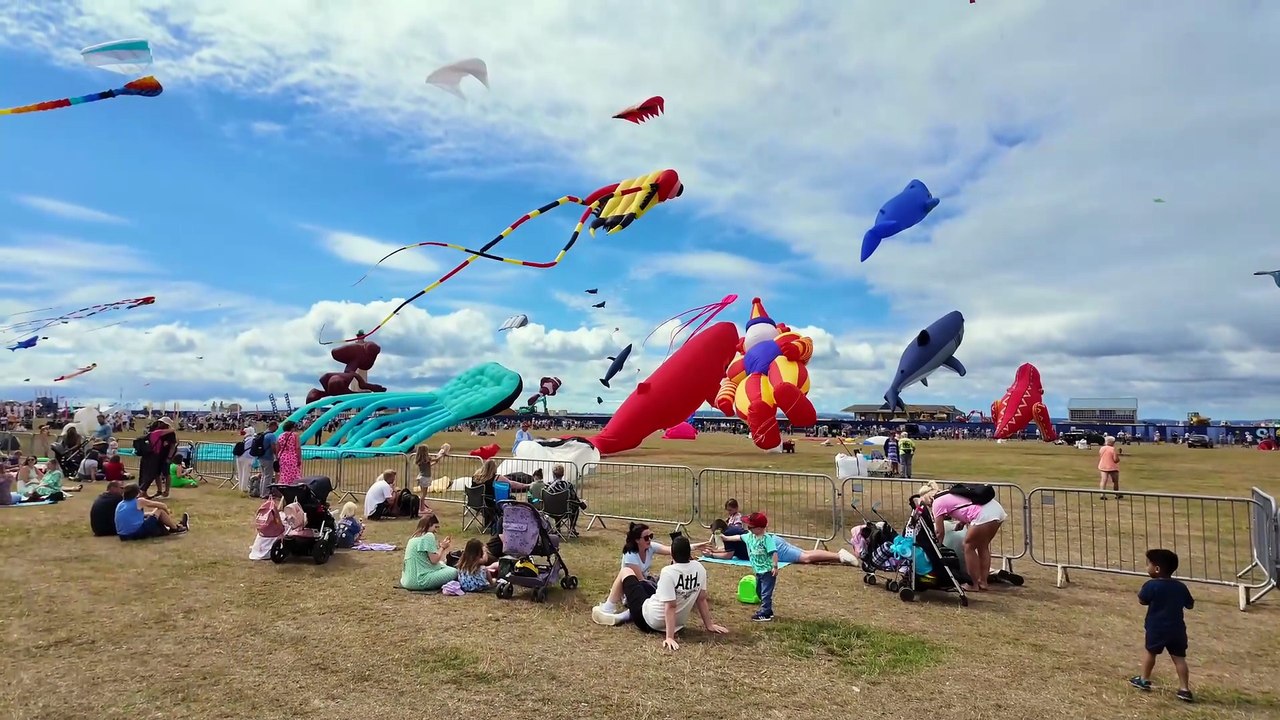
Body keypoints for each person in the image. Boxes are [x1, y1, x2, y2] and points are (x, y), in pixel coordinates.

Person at [591, 536, 729, 651]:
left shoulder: (668, 572)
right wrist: (709, 625)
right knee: (646, 589)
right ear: (689, 554)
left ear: (672, 554)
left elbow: (670, 606)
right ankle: (625, 615)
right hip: (678, 624)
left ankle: (609, 608)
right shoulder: (700, 568)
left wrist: (669, 637)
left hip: (648, 621)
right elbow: (701, 599)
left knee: (626, 572)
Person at [1131, 548, 1194, 702]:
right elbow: (1190, 604)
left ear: (1157, 569)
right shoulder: (1180, 586)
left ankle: (1144, 679)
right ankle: (1184, 689)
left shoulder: (1151, 585)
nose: (1147, 567)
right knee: (1179, 659)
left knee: (1151, 653)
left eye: (1149, 564)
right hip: (1177, 629)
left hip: (1156, 628)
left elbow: (1142, 600)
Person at [918, 481, 1006, 591]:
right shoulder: (948, 492)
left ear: (929, 499)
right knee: (983, 546)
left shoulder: (937, 503)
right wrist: (962, 522)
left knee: (968, 546)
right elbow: (966, 504)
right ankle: (983, 582)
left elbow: (940, 532)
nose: (930, 508)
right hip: (997, 511)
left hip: (984, 515)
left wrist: (937, 548)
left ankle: (972, 584)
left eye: (928, 505)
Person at [399, 514, 459, 591]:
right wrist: (442, 547)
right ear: (430, 525)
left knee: (442, 564)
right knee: (454, 572)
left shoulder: (413, 537)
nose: (436, 530)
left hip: (406, 580)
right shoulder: (428, 536)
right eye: (435, 527)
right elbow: (434, 560)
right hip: (420, 581)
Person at [740, 512, 779, 622]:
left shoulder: (767, 539)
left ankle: (765, 612)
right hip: (758, 571)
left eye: (751, 527)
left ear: (759, 528)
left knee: (766, 593)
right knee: (759, 591)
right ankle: (768, 610)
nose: (749, 529)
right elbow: (738, 538)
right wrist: (724, 537)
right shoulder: (751, 537)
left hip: (767, 571)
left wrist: (775, 566)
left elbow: (774, 553)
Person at [114, 484, 188, 540]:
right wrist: (167, 513)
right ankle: (175, 528)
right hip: (135, 533)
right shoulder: (139, 501)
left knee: (152, 515)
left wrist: (151, 514)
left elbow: (132, 516)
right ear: (137, 493)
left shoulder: (121, 504)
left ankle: (172, 526)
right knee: (160, 510)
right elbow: (162, 506)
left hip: (123, 535)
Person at [139, 417, 177, 499]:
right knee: (156, 474)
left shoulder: (169, 433)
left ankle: (166, 491)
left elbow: (172, 446)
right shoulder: (157, 431)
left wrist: (169, 457)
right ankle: (159, 491)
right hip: (156, 456)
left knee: (166, 473)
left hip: (164, 456)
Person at [274, 420, 303, 485]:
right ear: (292, 427)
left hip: (283, 457)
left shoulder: (280, 436)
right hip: (292, 456)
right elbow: (297, 447)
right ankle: (294, 487)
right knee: (294, 474)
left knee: (284, 473)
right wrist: (299, 459)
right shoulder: (295, 435)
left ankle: (285, 487)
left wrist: (277, 458)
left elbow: (278, 448)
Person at [235, 427, 256, 496]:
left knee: (240, 473)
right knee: (245, 473)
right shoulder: (252, 439)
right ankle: (244, 488)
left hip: (239, 457)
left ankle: (241, 487)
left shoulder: (245, 439)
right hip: (247, 458)